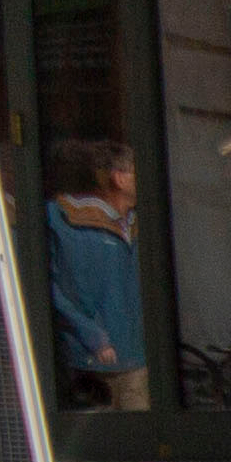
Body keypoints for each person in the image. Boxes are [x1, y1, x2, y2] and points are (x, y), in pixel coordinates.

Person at [45, 137, 149, 412]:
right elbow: (47, 288)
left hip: (137, 359)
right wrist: (93, 335)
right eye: (139, 171)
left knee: (143, 443)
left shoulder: (141, 223)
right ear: (120, 179)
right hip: (91, 362)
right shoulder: (63, 220)